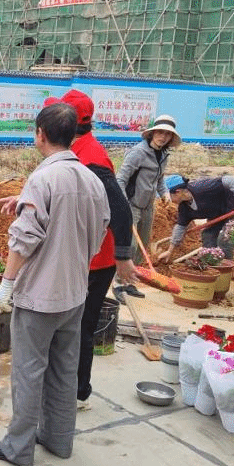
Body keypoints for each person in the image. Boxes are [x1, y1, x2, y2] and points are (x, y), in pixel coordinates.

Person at [0, 102, 109, 466]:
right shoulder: (90, 179)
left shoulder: (43, 179)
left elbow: (24, 238)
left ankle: (18, 448)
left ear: (40, 134)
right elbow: (101, 228)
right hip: (74, 294)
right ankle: (59, 439)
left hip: (39, 297)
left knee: (28, 371)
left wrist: (6, 284)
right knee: (64, 371)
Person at [50, 90, 136, 411]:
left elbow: (121, 210)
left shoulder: (93, 159)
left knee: (80, 327)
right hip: (83, 255)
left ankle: (78, 393)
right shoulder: (75, 150)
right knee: (71, 325)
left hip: (95, 261)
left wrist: (123, 256)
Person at [115, 114, 180, 297]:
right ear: (152, 133)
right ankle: (118, 284)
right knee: (130, 245)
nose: (163, 137)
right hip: (131, 204)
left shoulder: (163, 155)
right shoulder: (138, 153)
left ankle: (129, 283)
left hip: (148, 206)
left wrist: (164, 193)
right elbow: (120, 179)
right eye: (160, 132)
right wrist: (123, 204)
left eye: (167, 134)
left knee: (142, 245)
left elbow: (159, 179)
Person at [157, 174, 234, 262]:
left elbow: (230, 180)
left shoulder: (201, 187)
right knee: (208, 235)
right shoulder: (184, 207)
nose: (168, 201)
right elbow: (180, 227)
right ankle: (212, 262)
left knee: (224, 238)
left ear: (177, 192)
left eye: (167, 197)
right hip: (217, 215)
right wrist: (169, 251)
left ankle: (225, 266)